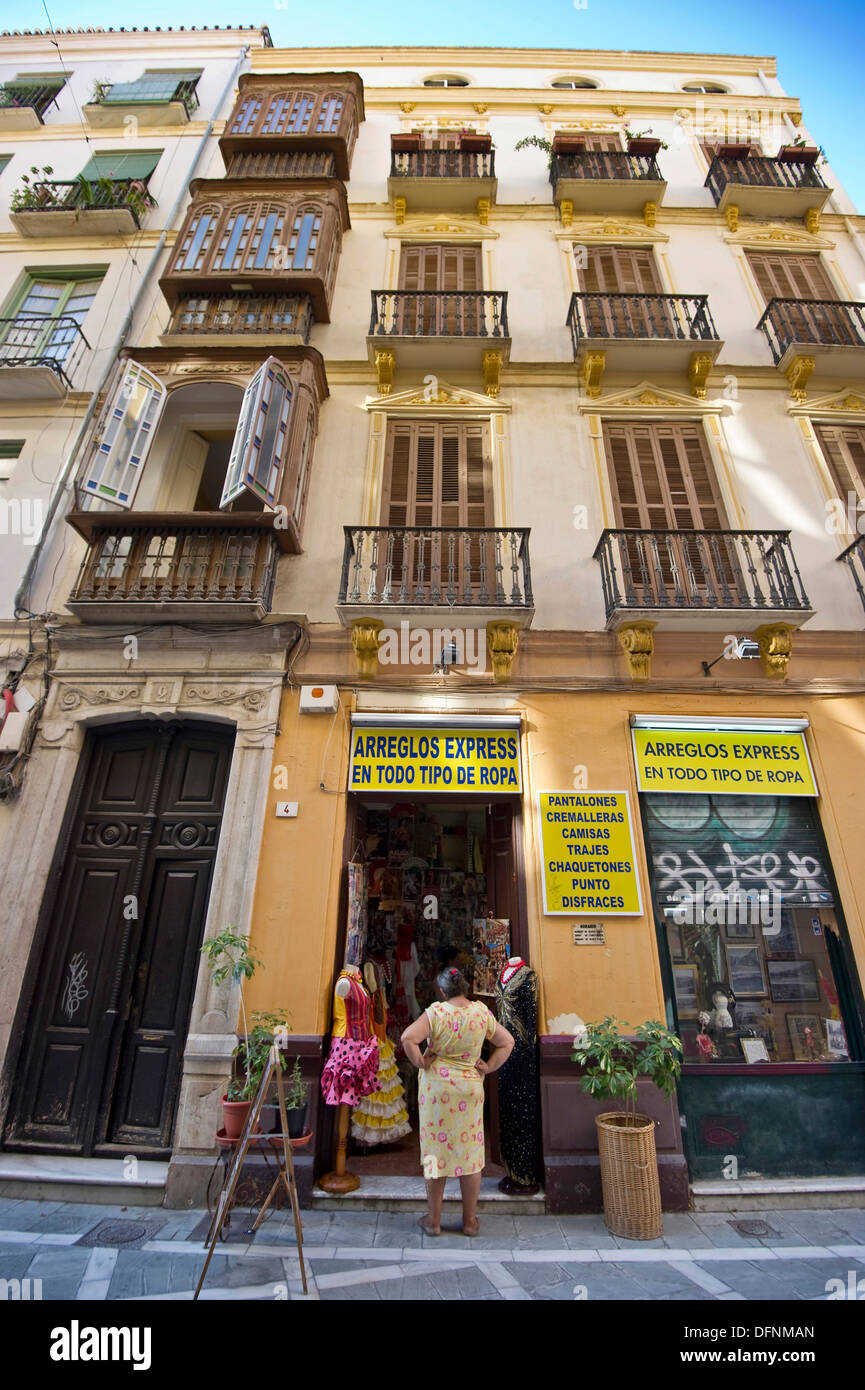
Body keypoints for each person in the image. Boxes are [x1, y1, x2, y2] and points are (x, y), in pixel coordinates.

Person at [401, 966, 514, 1237]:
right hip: (469, 1088)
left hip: (437, 1091)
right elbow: (507, 1041)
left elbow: (408, 1038)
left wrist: (421, 1061)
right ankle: (469, 1221)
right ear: (465, 988)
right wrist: (488, 1066)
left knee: (433, 1153)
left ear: (442, 991)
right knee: (471, 1155)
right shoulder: (480, 1013)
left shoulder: (436, 1013)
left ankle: (434, 1219)